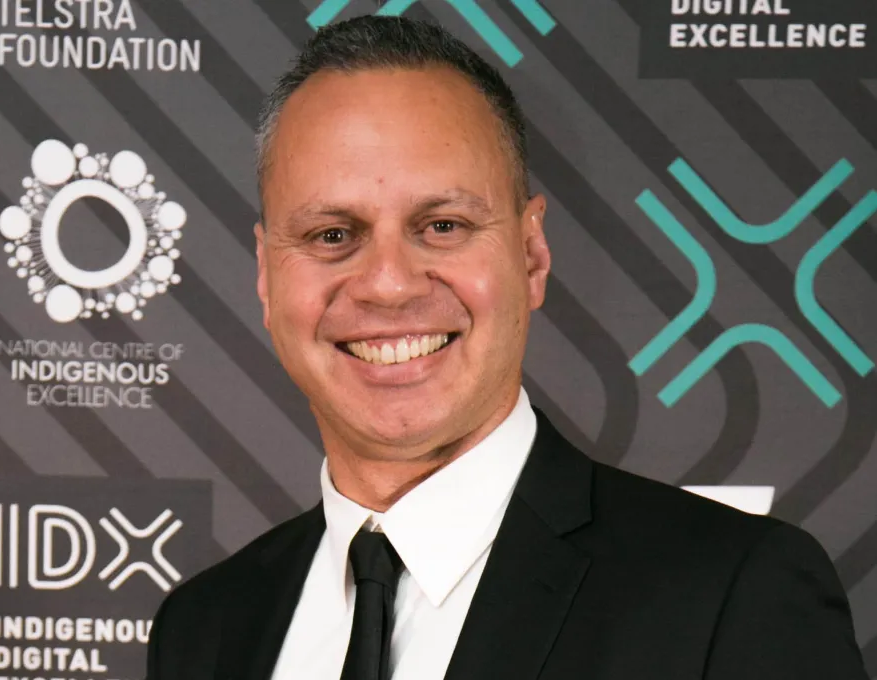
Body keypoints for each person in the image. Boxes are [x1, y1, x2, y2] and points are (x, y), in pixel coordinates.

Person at [145, 15, 867, 680]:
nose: (389, 286)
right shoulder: (204, 629)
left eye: (443, 226)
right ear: (268, 275)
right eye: (333, 235)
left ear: (530, 256)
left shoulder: (733, 595)